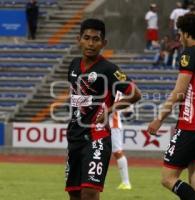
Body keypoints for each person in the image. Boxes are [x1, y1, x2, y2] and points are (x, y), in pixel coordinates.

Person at [147, 13, 195, 200]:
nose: (179, 37)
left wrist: (158, 119)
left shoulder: (190, 53)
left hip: (191, 124)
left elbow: (179, 93)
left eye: (180, 33)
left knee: (168, 178)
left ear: (188, 34)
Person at [65, 18, 141, 200]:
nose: (91, 43)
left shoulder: (109, 69)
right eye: (87, 38)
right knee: (74, 194)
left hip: (97, 137)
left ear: (103, 43)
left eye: (96, 39)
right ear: (79, 39)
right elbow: (76, 99)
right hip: (75, 137)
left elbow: (135, 94)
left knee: (90, 192)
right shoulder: (73, 65)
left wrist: (109, 110)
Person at [110, 91, 132, 190]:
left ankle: (126, 182)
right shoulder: (116, 89)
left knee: (117, 152)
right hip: (106, 124)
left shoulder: (115, 90)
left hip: (113, 124)